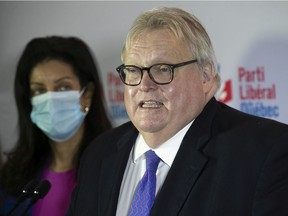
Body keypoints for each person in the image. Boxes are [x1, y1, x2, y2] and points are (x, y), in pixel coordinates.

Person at [67, 7, 288, 216]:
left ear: (206, 76)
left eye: (163, 69)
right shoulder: (98, 153)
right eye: (133, 70)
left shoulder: (266, 152)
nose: (144, 85)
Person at [0, 36, 112, 216]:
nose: (50, 100)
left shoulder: (114, 169)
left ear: (87, 95)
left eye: (62, 88)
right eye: (39, 90)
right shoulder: (13, 174)